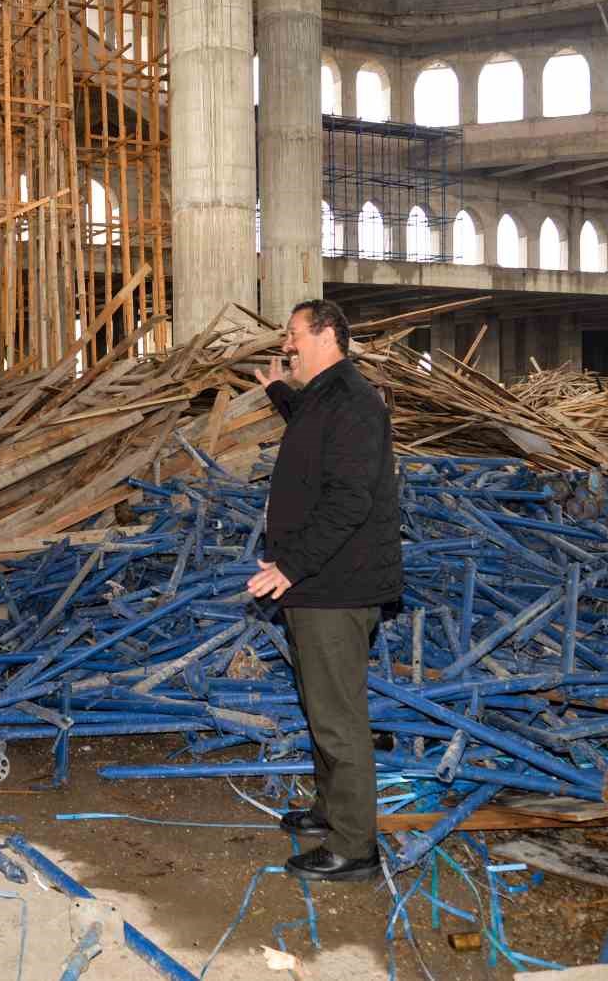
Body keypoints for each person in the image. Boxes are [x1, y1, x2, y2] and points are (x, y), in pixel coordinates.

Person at [247, 299, 403, 883]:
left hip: (335, 585)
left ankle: (355, 847)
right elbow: (312, 430)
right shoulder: (325, 397)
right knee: (320, 705)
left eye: (293, 335)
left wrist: (291, 564)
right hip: (317, 584)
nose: (286, 345)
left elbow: (349, 500)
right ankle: (329, 813)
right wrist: (278, 394)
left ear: (328, 334)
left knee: (338, 717)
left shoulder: (356, 402)